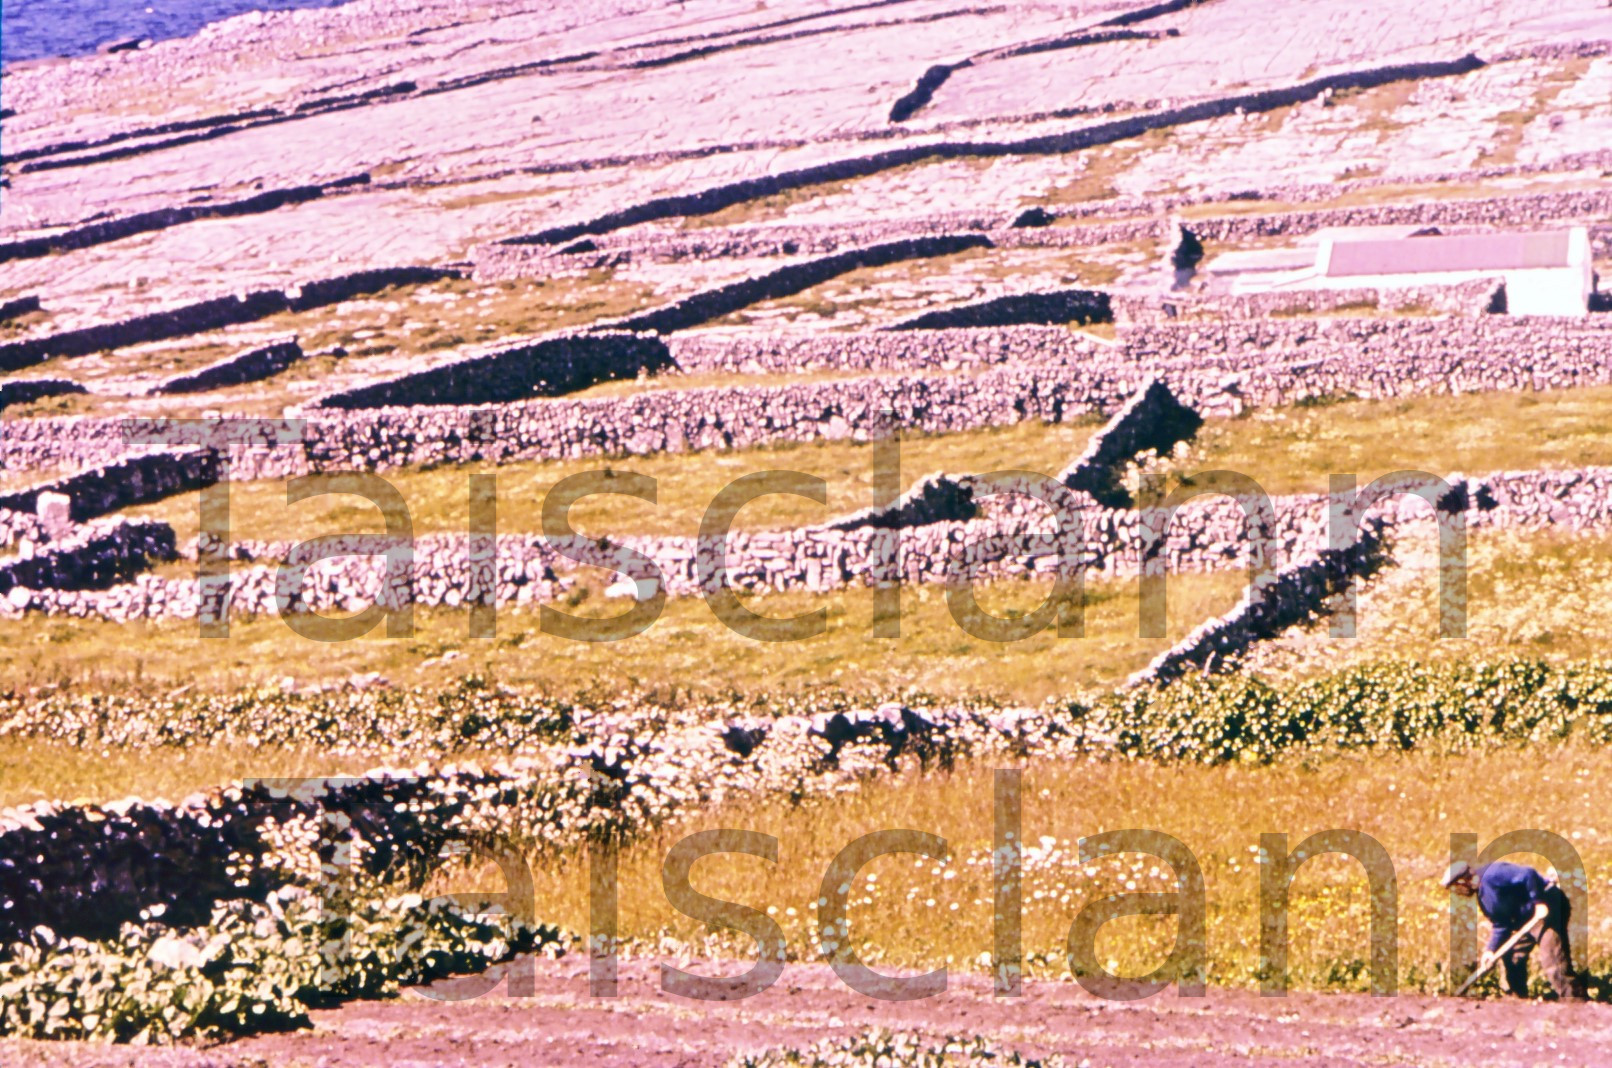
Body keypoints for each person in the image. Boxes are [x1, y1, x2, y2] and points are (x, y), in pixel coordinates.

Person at [1442, 860, 1587, 1000]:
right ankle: (1518, 1000)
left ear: (1464, 880)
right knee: (1512, 957)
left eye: (1456, 887)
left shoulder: (1493, 873)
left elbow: (1528, 874)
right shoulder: (1484, 899)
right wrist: (1490, 950)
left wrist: (1538, 902)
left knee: (1552, 959)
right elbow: (1501, 925)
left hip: (1548, 907)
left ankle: (1575, 1001)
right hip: (1527, 918)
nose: (1457, 892)